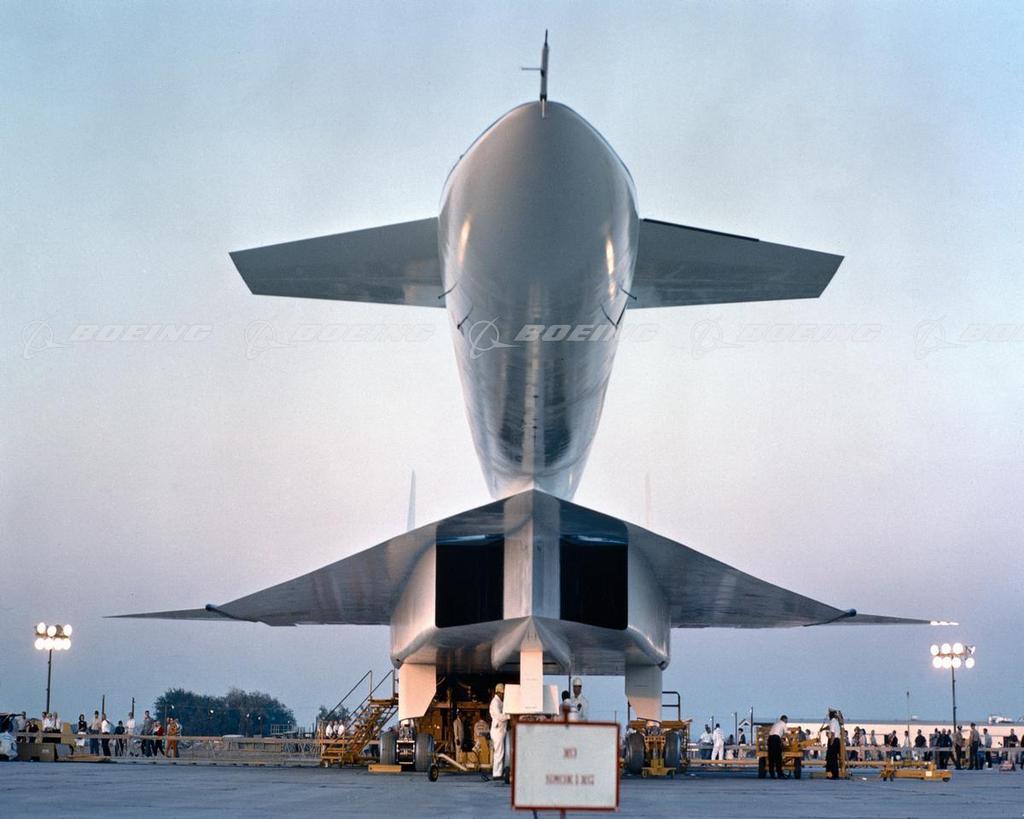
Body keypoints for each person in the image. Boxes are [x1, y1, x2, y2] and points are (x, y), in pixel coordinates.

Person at [489, 684, 510, 782]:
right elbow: (499, 716)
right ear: (498, 692)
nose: (503, 695)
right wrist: (510, 716)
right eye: (502, 693)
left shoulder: (499, 702)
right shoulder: (495, 702)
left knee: (501, 752)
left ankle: (499, 772)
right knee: (499, 752)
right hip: (498, 731)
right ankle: (497, 774)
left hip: (501, 730)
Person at [767, 715, 788, 779]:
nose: (787, 721)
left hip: (770, 739)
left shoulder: (776, 723)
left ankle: (772, 774)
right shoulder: (783, 724)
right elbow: (786, 733)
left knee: (771, 757)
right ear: (784, 719)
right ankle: (779, 774)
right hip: (776, 739)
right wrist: (790, 741)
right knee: (778, 757)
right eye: (787, 720)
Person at [825, 709, 842, 779]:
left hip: (833, 740)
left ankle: (833, 774)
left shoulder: (832, 721)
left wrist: (831, 743)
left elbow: (833, 733)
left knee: (831, 758)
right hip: (837, 740)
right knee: (833, 758)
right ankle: (834, 774)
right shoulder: (836, 721)